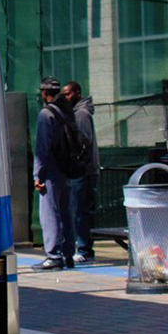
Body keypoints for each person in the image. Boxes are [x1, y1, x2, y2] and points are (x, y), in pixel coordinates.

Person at [32, 77, 76, 270]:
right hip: (67, 168)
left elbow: (42, 147)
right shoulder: (66, 111)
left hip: (51, 170)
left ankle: (53, 255)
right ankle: (68, 254)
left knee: (49, 213)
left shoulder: (46, 114)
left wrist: (37, 175)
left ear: (43, 92)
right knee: (66, 213)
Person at [63, 81, 100, 262]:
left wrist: (78, 166)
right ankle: (84, 247)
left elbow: (83, 143)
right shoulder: (76, 114)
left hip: (83, 172)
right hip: (82, 171)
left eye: (68, 93)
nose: (66, 97)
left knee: (81, 211)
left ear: (77, 93)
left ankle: (84, 249)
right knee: (79, 210)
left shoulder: (82, 115)